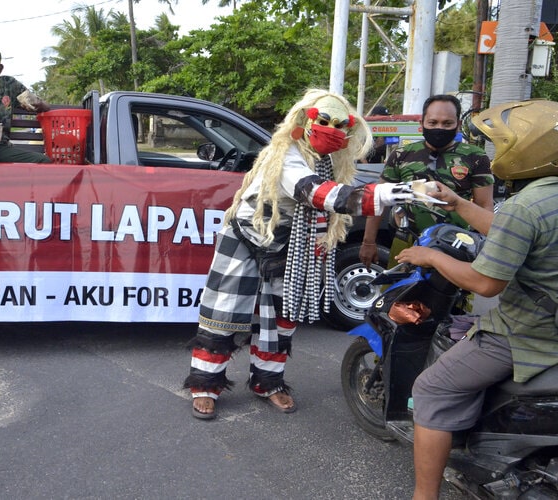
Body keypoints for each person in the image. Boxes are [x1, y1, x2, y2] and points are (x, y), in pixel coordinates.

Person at [183, 89, 422, 420]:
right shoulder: (285, 156)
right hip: (246, 235)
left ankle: (267, 383)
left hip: (289, 244)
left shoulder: (331, 163)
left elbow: (327, 203)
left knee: (282, 317)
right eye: (324, 121)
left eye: (340, 125)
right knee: (222, 315)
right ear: (305, 120)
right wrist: (384, 193)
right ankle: (205, 386)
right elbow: (314, 193)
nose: (331, 129)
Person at [395, 99, 558, 499]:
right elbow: (509, 229)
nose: (497, 152)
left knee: (432, 388)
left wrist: (431, 255)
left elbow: (485, 284)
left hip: (529, 334)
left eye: (503, 144)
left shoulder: (526, 204)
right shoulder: (544, 198)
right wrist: (459, 203)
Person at [359, 94, 495, 269]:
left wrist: (486, 246)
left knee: (450, 295)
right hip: (407, 242)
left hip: (456, 245)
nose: (439, 128)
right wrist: (368, 242)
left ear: (458, 125)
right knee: (399, 293)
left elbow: (485, 206)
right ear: (421, 123)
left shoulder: (476, 156)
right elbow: (378, 199)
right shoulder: (402, 155)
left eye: (447, 123)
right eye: (433, 123)